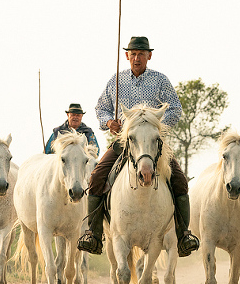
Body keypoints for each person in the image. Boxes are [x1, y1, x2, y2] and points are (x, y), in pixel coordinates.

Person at [77, 36, 199, 257]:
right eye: (132, 54)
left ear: (149, 56)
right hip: (124, 142)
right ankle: (93, 234)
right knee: (96, 178)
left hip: (153, 145)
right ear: (126, 56)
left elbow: (175, 109)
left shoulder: (160, 80)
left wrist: (157, 126)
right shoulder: (116, 80)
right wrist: (108, 122)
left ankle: (184, 235)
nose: (136, 58)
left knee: (180, 181)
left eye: (141, 54)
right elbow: (100, 108)